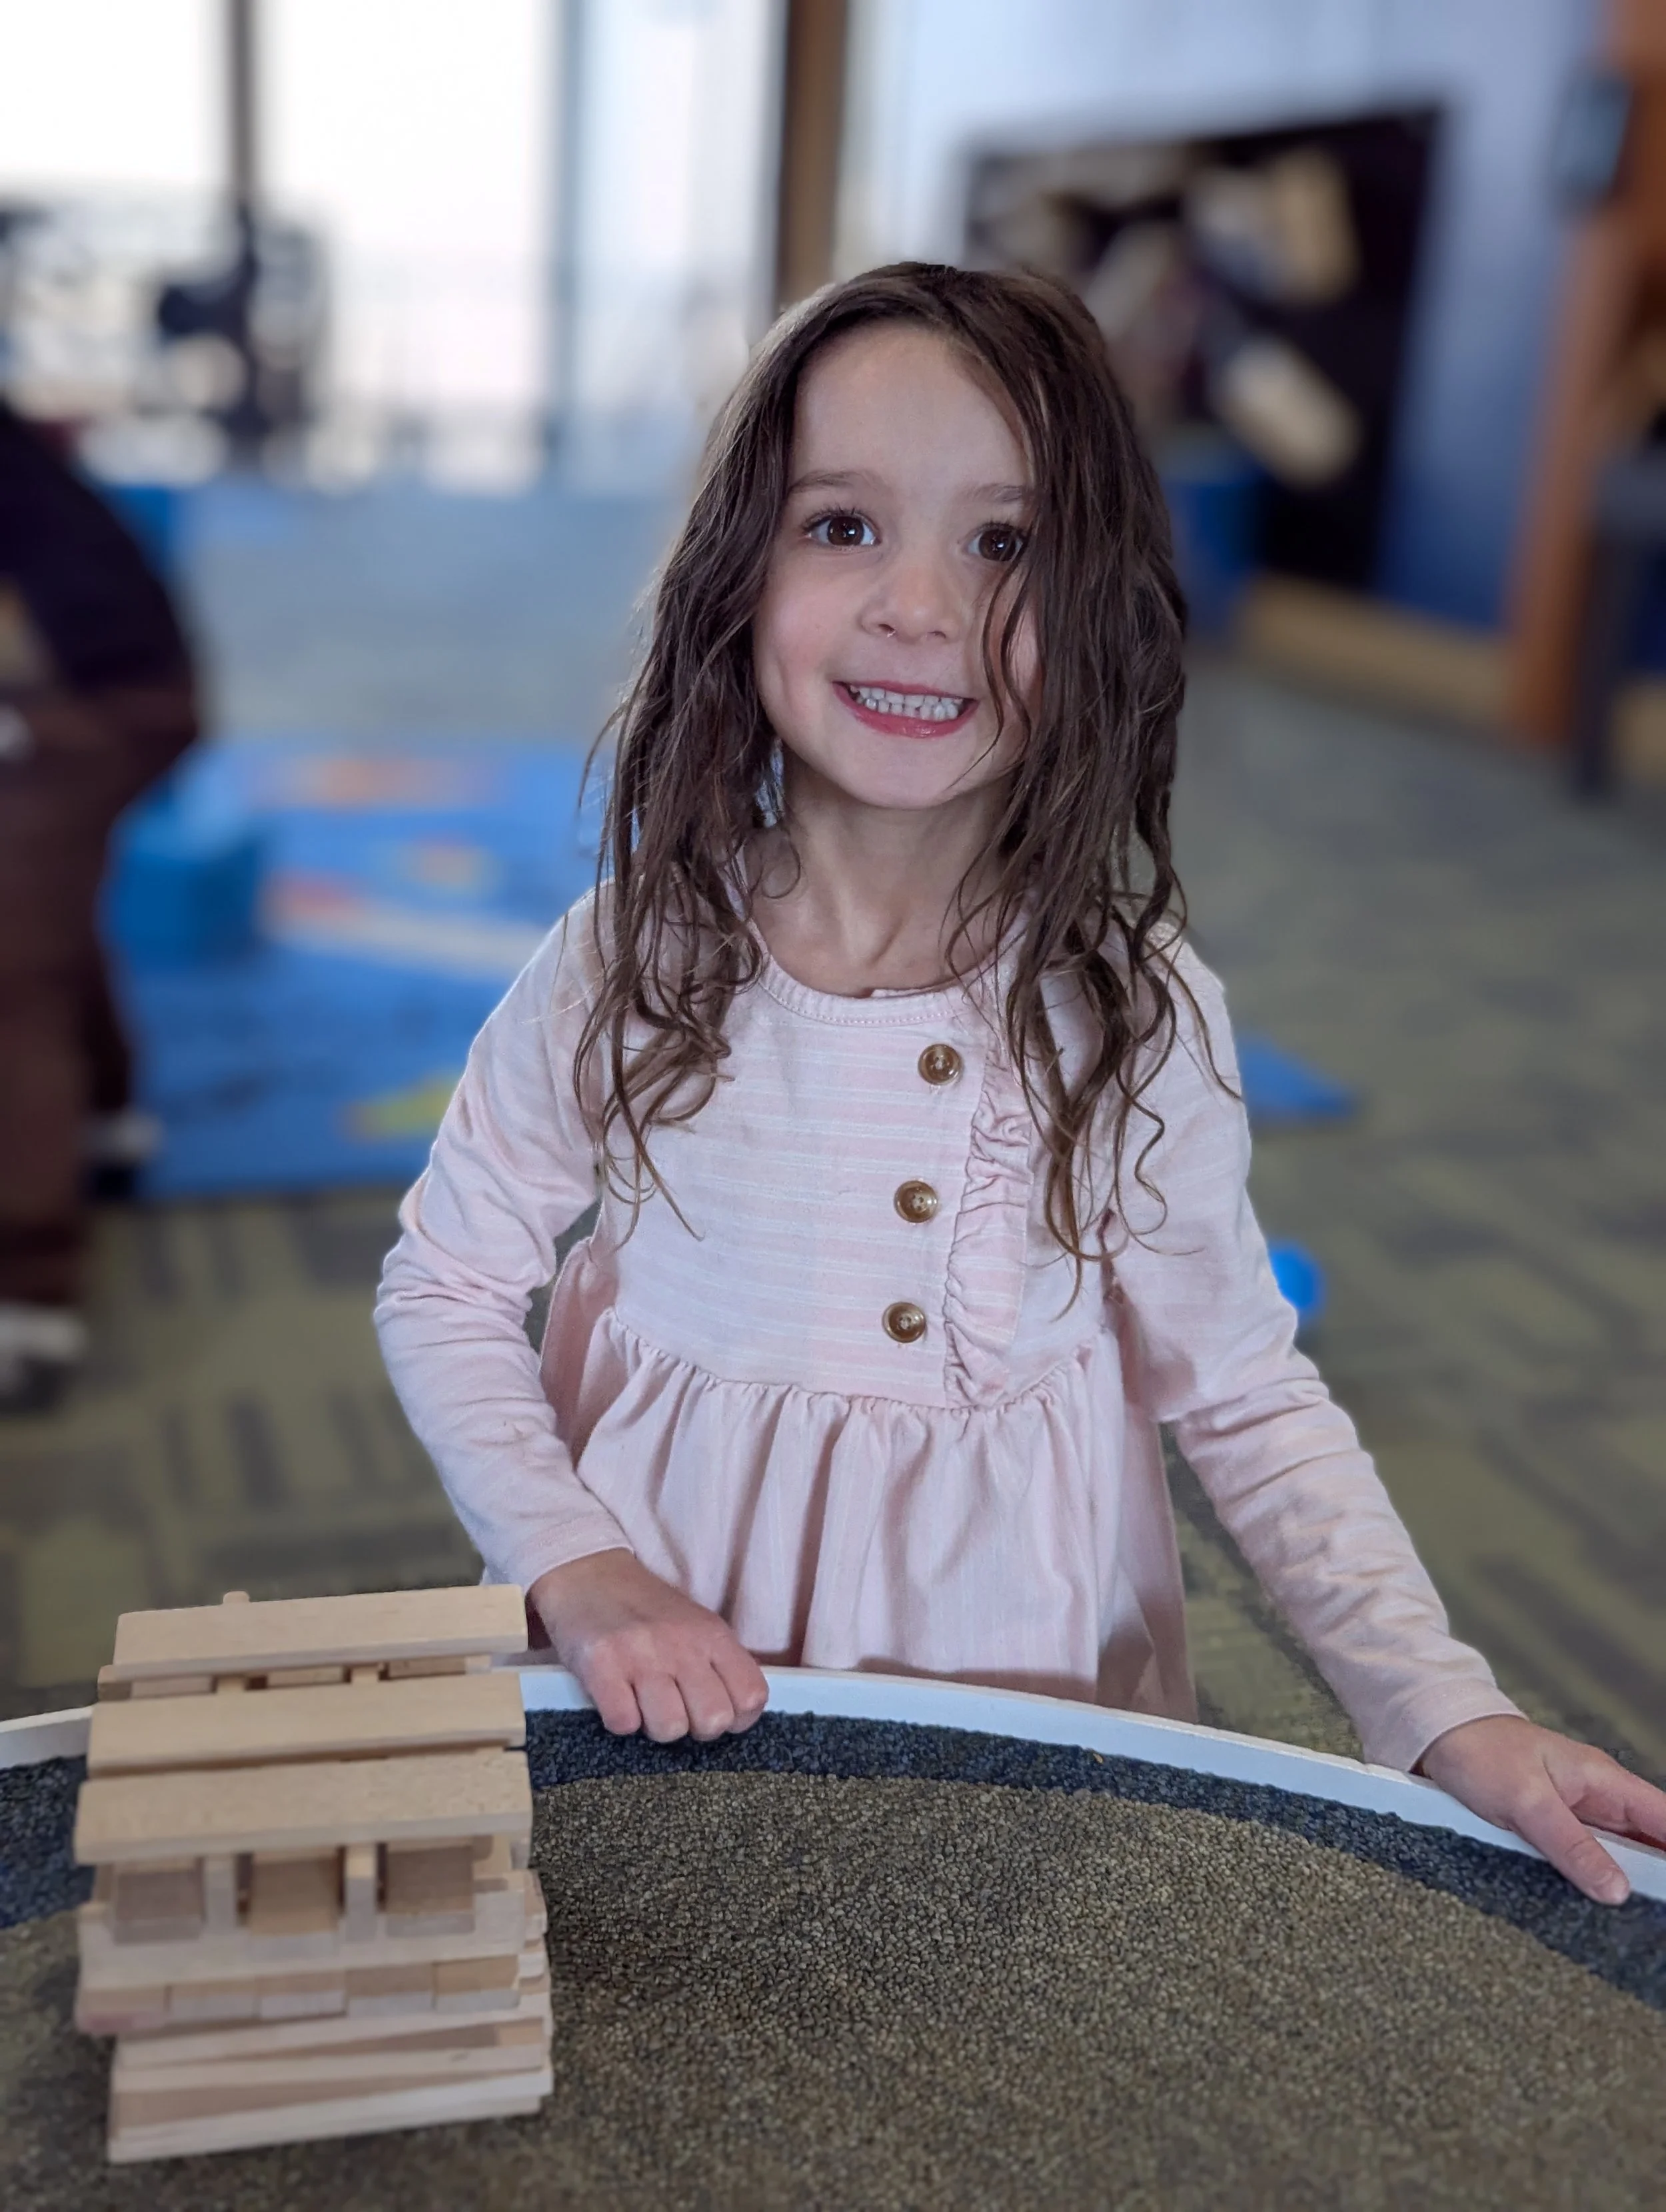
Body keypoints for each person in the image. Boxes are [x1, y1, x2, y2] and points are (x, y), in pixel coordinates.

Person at [376, 264, 1666, 1905]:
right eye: (840, 526)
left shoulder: (1134, 1015)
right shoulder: (625, 956)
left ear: (1101, 600)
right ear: (731, 575)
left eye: (1003, 542)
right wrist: (579, 1566)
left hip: (1014, 1684)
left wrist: (1438, 1707)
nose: (920, 606)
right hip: (654, 1654)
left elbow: (1246, 1397)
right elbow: (447, 1280)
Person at [0, 402, 198, 1412]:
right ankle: (109, 1116)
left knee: (8, 967)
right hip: (103, 684)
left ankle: (27, 1295)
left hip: (102, 703)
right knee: (37, 914)